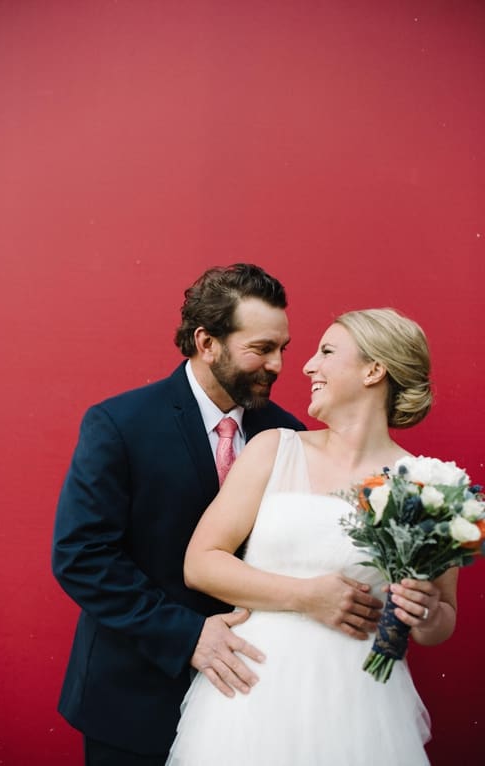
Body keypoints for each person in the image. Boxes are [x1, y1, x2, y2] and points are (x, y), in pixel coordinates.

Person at [52, 264, 340, 766]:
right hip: (133, 697)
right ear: (207, 342)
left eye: (282, 349)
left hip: (253, 698)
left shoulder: (288, 437)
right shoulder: (119, 424)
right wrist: (187, 634)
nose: (277, 365)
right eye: (261, 349)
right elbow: (82, 556)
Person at [167, 308, 453, 766]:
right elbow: (201, 562)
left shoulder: (427, 484)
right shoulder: (273, 449)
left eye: (326, 351)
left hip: (362, 703)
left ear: (373, 370)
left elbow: (440, 623)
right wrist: (306, 596)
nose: (306, 366)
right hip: (253, 690)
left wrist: (426, 611)